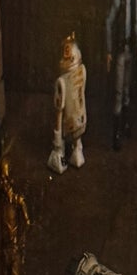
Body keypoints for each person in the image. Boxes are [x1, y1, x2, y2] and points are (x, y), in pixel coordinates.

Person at [105, 0, 137, 149]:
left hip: (130, 50)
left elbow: (136, 23)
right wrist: (109, 50)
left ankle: (126, 125)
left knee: (127, 90)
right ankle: (116, 134)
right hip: (120, 52)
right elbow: (108, 23)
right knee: (119, 92)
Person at [49, 32, 88, 175]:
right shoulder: (82, 71)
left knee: (62, 116)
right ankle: (76, 149)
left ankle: (62, 152)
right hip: (80, 118)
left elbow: (59, 111)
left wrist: (57, 143)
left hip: (72, 118)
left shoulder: (63, 81)